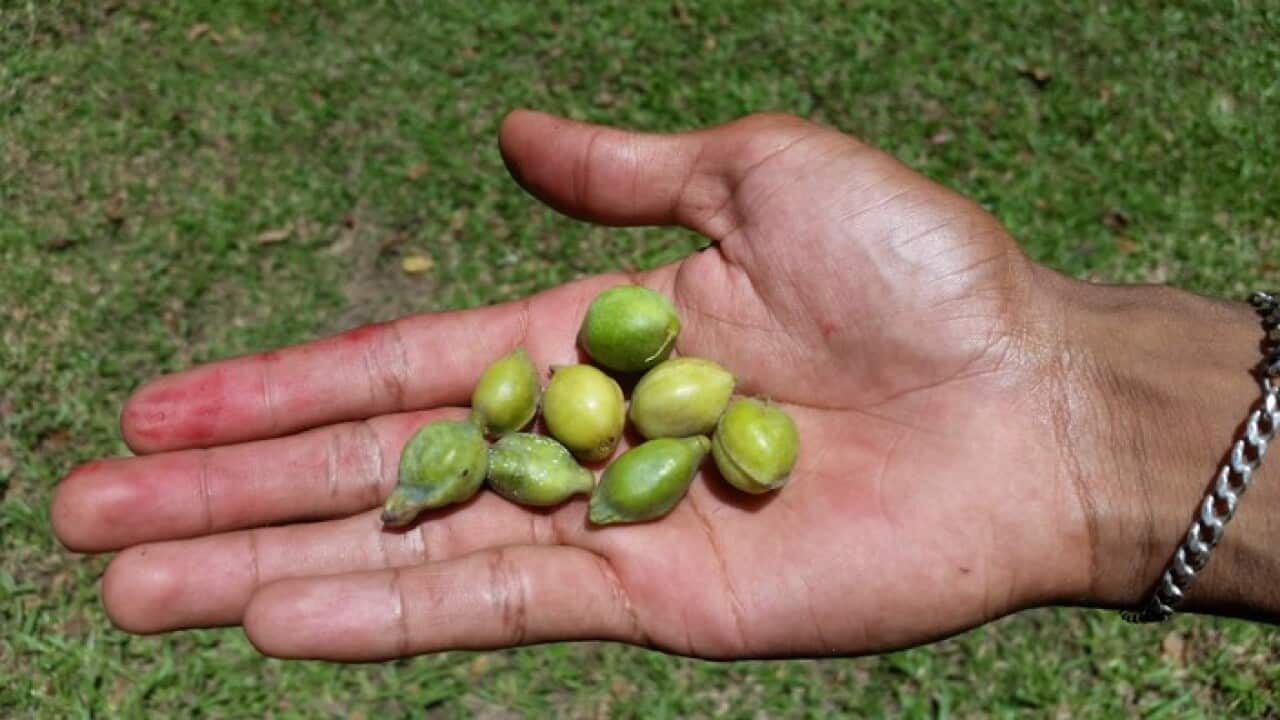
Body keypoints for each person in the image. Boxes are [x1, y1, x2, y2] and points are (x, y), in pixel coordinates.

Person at [50, 110, 1276, 661]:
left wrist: (1077, 402)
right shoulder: (593, 406)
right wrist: (1099, 416)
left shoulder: (631, 402)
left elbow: (638, 408)